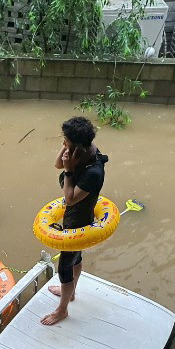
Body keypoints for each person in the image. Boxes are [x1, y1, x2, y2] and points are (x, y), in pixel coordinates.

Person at [42, 116, 109, 326]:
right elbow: (56, 165)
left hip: (78, 221)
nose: (63, 143)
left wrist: (70, 171)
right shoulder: (78, 151)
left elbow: (70, 199)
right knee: (75, 259)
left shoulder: (94, 173)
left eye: (66, 140)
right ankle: (69, 294)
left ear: (79, 145)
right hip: (73, 216)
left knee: (64, 267)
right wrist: (66, 151)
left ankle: (62, 310)